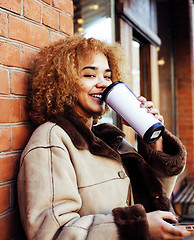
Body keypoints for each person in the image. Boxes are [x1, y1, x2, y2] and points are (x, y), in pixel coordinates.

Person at [17, 34, 191, 240]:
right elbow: (51, 233)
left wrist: (154, 139)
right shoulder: (52, 139)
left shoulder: (109, 138)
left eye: (107, 76)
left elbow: (154, 196)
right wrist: (136, 227)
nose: (103, 84)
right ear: (62, 83)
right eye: (90, 75)